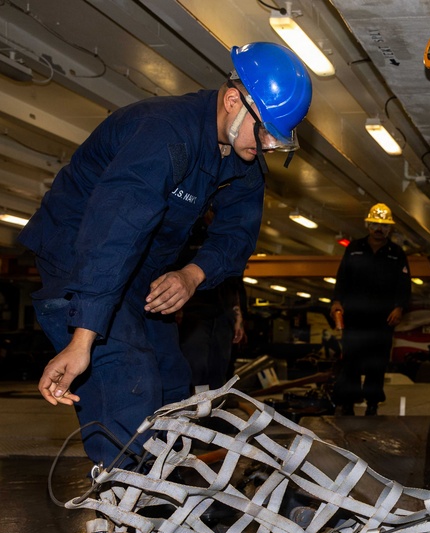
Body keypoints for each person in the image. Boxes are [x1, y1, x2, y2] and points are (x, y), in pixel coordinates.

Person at [18, 42, 312, 468]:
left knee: (172, 378)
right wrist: (82, 340)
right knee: (127, 376)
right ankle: (122, 497)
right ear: (234, 101)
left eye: (277, 139)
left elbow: (237, 234)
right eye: (265, 131)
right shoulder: (163, 132)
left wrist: (192, 274)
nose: (268, 145)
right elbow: (115, 231)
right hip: (81, 258)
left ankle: (165, 486)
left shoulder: (241, 157)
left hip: (141, 270)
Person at [329, 203, 411, 416]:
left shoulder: (396, 254)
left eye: (384, 226)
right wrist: (337, 301)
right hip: (354, 317)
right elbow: (342, 277)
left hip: (383, 319)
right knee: (351, 361)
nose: (379, 229)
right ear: (368, 225)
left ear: (389, 229)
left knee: (378, 362)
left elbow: (404, 285)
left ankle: (372, 403)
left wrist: (400, 307)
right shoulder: (354, 249)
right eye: (375, 224)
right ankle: (348, 403)